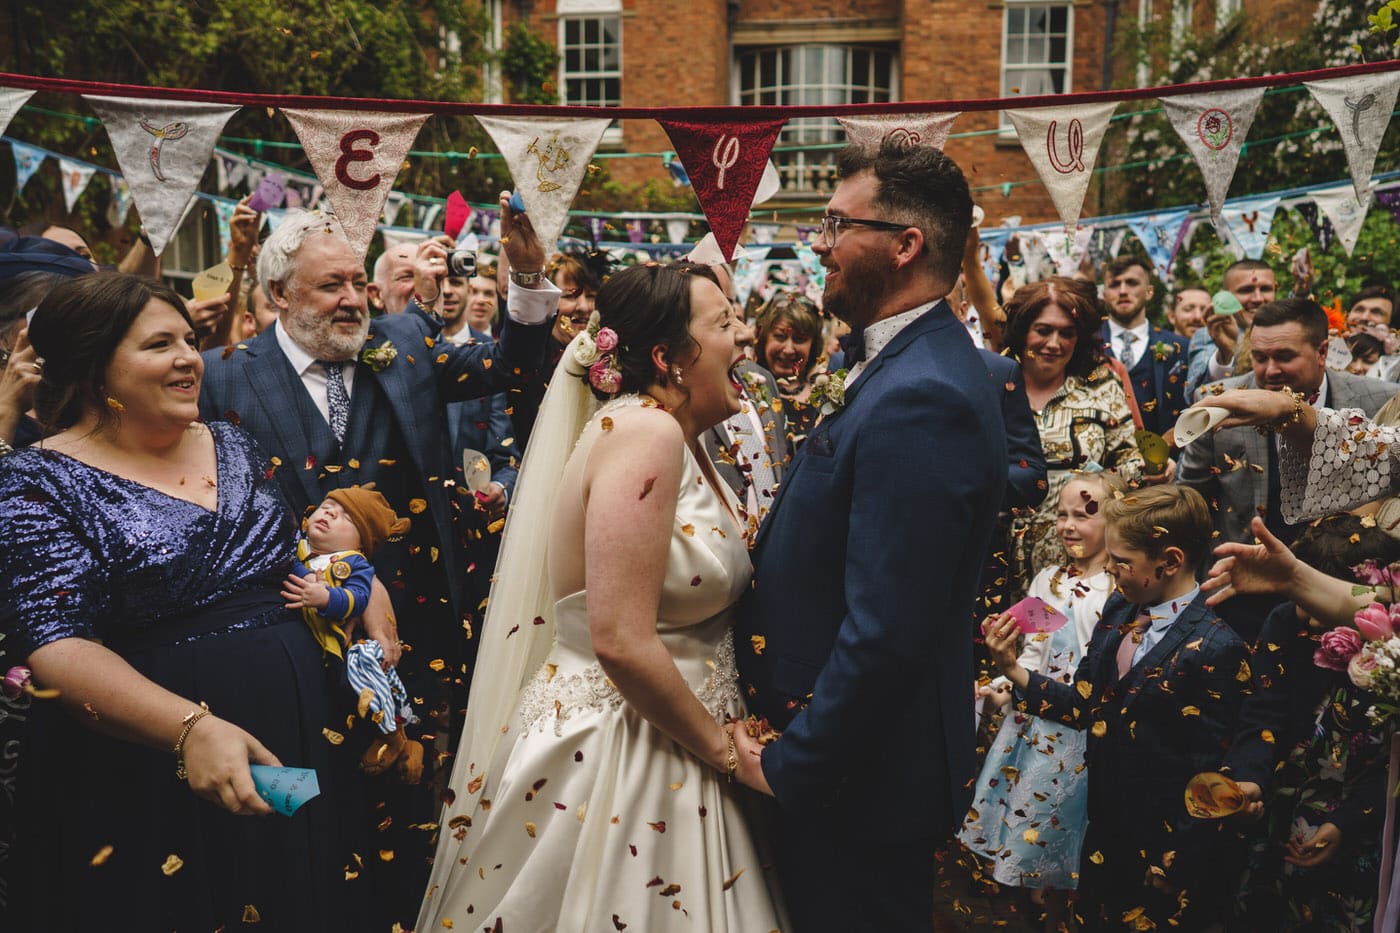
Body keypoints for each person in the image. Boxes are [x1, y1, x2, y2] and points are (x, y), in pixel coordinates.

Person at [198, 202, 553, 928]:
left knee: (407, 809)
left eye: (359, 282)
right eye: (331, 286)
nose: (354, 299)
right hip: (285, 639)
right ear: (279, 295)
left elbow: (510, 365)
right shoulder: (222, 377)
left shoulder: (405, 345)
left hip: (409, 638)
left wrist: (527, 275)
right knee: (300, 807)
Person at [418, 260, 787, 930]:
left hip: (672, 731)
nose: (746, 337)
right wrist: (725, 751)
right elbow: (618, 637)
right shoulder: (645, 434)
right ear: (668, 357)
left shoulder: (681, 435)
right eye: (726, 322)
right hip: (628, 748)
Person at [0, 272, 362, 930]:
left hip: (289, 724)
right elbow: (55, 642)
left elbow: (295, 556)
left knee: (289, 894)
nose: (189, 358)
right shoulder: (34, 478)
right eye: (159, 344)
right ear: (94, 364)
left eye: (189, 340)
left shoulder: (234, 441)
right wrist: (190, 727)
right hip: (145, 755)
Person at [733, 140, 1007, 931]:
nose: (818, 243)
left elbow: (888, 626)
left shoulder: (926, 394)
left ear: (904, 244)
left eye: (835, 224)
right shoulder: (899, 361)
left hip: (861, 778)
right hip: (854, 768)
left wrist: (794, 763)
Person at [984, 484, 1250, 931]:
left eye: (1121, 561)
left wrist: (1177, 860)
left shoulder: (1218, 648)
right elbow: (1086, 703)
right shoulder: (1121, 605)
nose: (1108, 568)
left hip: (1162, 853)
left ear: (1169, 561)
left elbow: (1213, 771)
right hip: (1103, 832)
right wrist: (1014, 670)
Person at [1178, 298, 1397, 642]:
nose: (1269, 371)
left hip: (1342, 594)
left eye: (1284, 357)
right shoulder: (1220, 400)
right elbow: (1190, 499)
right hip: (1243, 589)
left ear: (1322, 351)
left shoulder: (1378, 400)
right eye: (1260, 357)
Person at [1220, 514, 1397, 931]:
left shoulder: (1388, 649)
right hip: (1282, 811)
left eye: (1321, 600)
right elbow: (1262, 715)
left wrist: (1348, 821)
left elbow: (1393, 755)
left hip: (1362, 826)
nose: (1312, 618)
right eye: (1301, 597)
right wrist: (1249, 779)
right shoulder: (1286, 622)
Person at [960, 472, 1118, 930]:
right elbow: (1031, 655)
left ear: (1113, 520)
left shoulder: (1118, 591)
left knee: (1072, 845)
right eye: (1062, 514)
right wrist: (996, 691)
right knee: (1030, 842)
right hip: (1033, 732)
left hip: (1081, 734)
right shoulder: (1047, 580)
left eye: (1085, 514)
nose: (1069, 525)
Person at [1001, 276, 1144, 596]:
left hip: (1081, 560)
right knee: (1011, 642)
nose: (1054, 343)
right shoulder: (994, 383)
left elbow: (1133, 463)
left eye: (1067, 333)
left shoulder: (1100, 384)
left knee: (1067, 642)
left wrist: (1097, 487)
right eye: (1043, 330)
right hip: (998, 557)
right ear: (1023, 329)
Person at [283, 487, 423, 782]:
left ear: (361, 543)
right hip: (301, 645)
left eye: (347, 517)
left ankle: (392, 734)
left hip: (336, 647)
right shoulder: (296, 547)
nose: (331, 513)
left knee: (350, 691)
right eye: (328, 506)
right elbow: (283, 561)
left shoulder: (355, 564)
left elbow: (358, 599)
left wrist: (326, 599)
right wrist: (304, 573)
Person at [1099, 257, 1189, 437]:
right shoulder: (1086, 345)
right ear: (1104, 294)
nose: (1123, 291)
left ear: (1149, 291)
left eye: (1132, 283)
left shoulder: (1181, 347)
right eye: (1115, 285)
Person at [1185, 259, 1277, 396]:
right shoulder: (1208, 333)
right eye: (1246, 290)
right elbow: (1194, 393)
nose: (1258, 298)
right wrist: (1226, 355)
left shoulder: (1286, 330)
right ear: (1226, 296)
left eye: (1265, 289)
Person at [753, 291, 825, 446]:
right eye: (780, 336)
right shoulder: (747, 391)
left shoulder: (825, 395)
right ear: (763, 338)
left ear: (813, 346)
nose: (788, 350)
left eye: (799, 339)